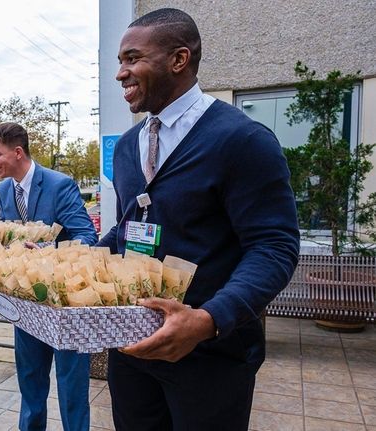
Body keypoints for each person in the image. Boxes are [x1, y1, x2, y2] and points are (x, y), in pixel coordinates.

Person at [98, 8, 300, 430]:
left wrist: (206, 321)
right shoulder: (128, 145)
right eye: (120, 61)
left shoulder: (243, 140)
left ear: (179, 59)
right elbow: (125, 230)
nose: (121, 73)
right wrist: (72, 258)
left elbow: (274, 247)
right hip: (131, 347)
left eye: (133, 58)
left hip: (210, 357)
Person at [0, 122, 98, 431]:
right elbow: (9, 235)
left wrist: (49, 249)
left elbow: (88, 236)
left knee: (71, 389)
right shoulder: (5, 188)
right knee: (30, 382)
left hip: (66, 304)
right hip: (26, 304)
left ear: (17, 152)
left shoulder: (60, 184)